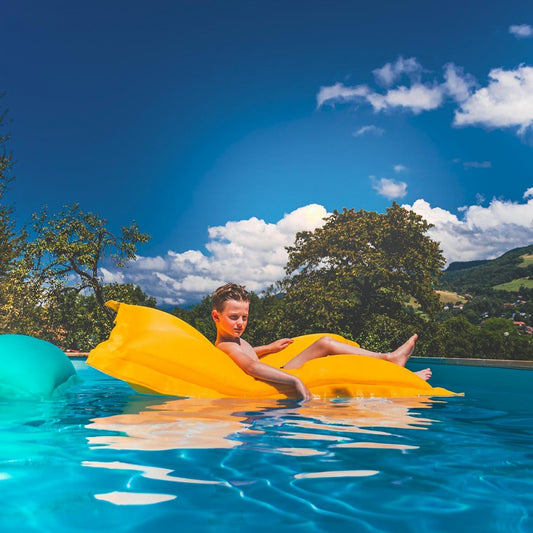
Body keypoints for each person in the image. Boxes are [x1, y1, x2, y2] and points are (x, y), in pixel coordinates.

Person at [211, 283, 432, 401]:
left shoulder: (233, 342)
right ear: (216, 316)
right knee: (327, 350)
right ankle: (394, 367)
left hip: (279, 370)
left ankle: (390, 361)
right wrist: (294, 381)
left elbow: (245, 355)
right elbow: (250, 366)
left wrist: (268, 348)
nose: (240, 323)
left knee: (326, 342)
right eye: (234, 317)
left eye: (245, 317)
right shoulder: (225, 346)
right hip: (279, 379)